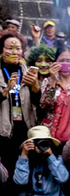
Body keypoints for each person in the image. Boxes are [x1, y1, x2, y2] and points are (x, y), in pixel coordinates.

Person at [0, 32, 39, 179]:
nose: (14, 52)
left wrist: (35, 86)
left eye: (18, 48)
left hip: (24, 129)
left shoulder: (27, 71)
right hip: (4, 132)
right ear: (2, 49)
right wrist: (6, 90)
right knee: (6, 172)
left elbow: (38, 102)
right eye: (9, 48)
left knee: (24, 172)